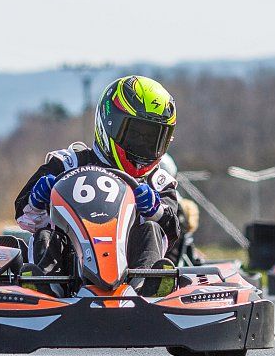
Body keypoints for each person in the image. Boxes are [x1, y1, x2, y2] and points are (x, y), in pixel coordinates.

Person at [13, 75, 182, 291]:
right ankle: (45, 286)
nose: (144, 145)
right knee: (47, 234)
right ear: (110, 124)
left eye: (153, 138)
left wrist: (156, 210)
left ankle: (148, 285)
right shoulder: (67, 163)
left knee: (151, 229)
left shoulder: (158, 183)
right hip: (71, 270)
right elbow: (22, 215)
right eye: (137, 134)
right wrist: (37, 200)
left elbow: (173, 230)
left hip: (130, 273)